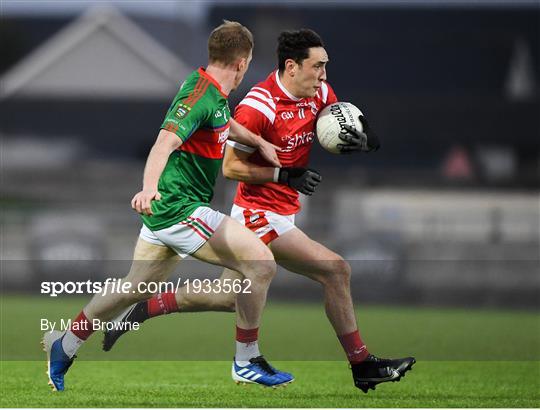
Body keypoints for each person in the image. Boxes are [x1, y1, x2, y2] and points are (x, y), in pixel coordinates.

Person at [102, 29, 415, 393]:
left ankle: (144, 308)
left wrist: (364, 135)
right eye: (318, 66)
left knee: (226, 298)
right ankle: (361, 364)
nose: (324, 75)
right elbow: (231, 167)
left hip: (284, 210)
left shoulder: (320, 94)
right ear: (291, 66)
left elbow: (339, 120)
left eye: (326, 66)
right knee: (335, 270)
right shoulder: (257, 106)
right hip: (256, 212)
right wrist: (283, 175)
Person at [42, 20, 295, 392]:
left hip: (172, 211)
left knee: (134, 287)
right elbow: (163, 144)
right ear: (242, 63)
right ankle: (246, 361)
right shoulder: (197, 97)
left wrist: (257, 139)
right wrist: (147, 189)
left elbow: (223, 123)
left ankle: (65, 344)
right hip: (178, 208)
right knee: (260, 264)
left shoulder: (211, 90)